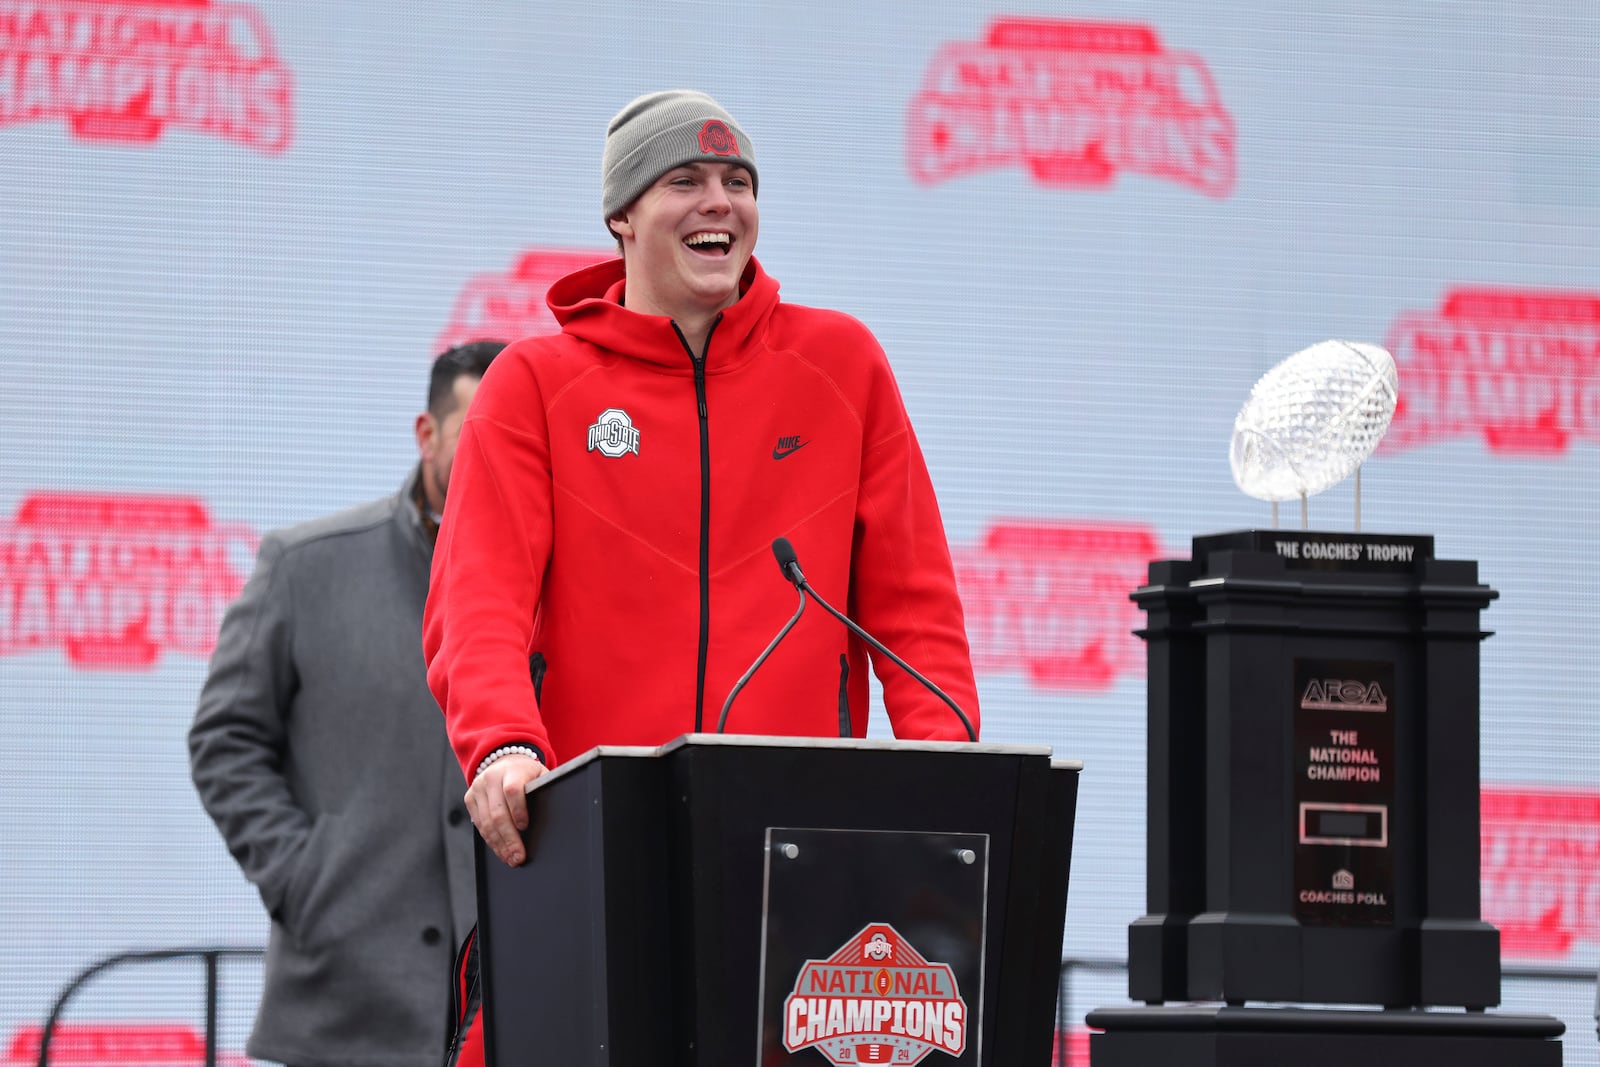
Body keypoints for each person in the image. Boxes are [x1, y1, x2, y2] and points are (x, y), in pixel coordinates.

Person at [423, 89, 981, 875]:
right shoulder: (533, 384)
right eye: (684, 180)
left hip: (801, 840)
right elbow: (478, 599)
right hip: (593, 831)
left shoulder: (842, 365)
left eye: (738, 182)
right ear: (621, 215)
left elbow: (913, 600)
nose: (719, 202)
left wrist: (949, 766)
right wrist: (504, 745)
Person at [188, 341, 504, 1067]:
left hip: (524, 1011)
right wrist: (306, 880)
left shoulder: (572, 580)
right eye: (479, 435)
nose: (501, 459)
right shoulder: (307, 567)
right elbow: (225, 738)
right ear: (427, 434)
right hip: (345, 1009)